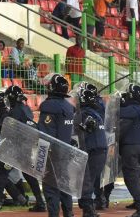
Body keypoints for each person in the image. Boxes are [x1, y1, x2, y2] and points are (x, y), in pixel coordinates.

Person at [38, 74, 74, 217]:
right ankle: (68, 213)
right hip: (65, 153)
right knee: (65, 186)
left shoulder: (49, 106)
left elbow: (45, 133)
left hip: (52, 153)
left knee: (51, 188)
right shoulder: (68, 107)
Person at [0, 91, 27, 210]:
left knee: (1, 175)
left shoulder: (4, 115)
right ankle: (18, 198)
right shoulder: (1, 113)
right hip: (5, 150)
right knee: (3, 175)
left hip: (5, 150)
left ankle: (1, 200)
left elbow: (2, 134)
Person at [5, 85, 46, 212]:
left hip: (21, 144)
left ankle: (37, 201)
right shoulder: (26, 108)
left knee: (25, 174)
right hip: (29, 142)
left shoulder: (15, 111)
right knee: (28, 174)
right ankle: (34, 199)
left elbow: (12, 130)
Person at [118, 84, 140, 217]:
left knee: (131, 178)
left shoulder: (131, 110)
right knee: (134, 177)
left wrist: (120, 103)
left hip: (130, 148)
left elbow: (119, 117)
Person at [76, 85, 107, 217]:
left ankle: (88, 210)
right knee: (90, 180)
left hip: (93, 151)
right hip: (100, 151)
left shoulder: (85, 114)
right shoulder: (96, 113)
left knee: (86, 181)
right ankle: (89, 206)